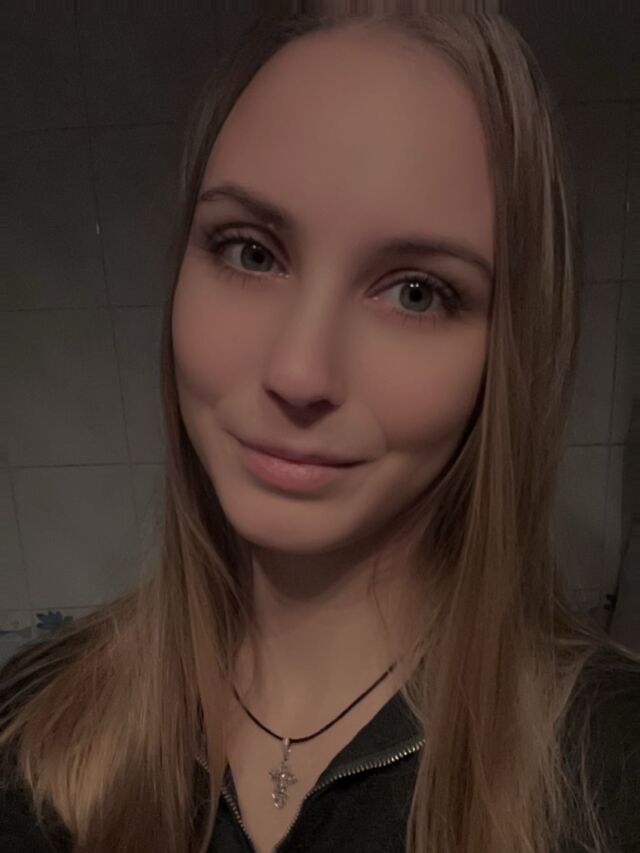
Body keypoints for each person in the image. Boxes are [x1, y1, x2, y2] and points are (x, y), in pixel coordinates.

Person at [1, 5, 639, 853]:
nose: (299, 372)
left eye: (416, 291)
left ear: (508, 354)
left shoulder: (612, 771)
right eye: (251, 252)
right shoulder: (32, 724)